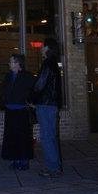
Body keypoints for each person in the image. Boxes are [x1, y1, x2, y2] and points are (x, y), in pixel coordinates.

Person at [34, 36, 63, 178]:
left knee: (47, 137)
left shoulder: (47, 64)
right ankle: (54, 166)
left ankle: (52, 168)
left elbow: (40, 84)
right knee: (50, 136)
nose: (40, 48)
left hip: (45, 105)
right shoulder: (54, 64)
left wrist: (31, 98)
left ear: (47, 48)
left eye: (42, 46)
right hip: (51, 105)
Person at [1, 53, 36, 171]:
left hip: (21, 111)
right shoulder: (8, 76)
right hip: (10, 111)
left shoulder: (27, 76)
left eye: (11, 61)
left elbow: (35, 90)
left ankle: (24, 160)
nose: (9, 64)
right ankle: (14, 159)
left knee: (23, 137)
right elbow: (4, 90)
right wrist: (5, 100)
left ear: (17, 63)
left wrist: (29, 101)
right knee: (11, 137)